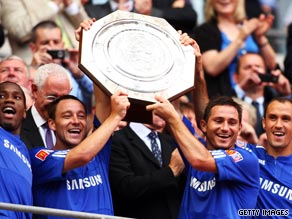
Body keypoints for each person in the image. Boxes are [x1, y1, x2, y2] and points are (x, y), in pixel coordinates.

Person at [146, 40, 260, 218]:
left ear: (239, 128)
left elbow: (201, 159)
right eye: (219, 121)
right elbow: (198, 113)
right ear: (204, 126)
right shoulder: (195, 146)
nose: (225, 128)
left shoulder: (244, 158)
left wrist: (172, 119)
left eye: (232, 123)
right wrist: (196, 69)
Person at [29, 86, 130, 217]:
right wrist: (116, 115)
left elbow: (101, 100)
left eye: (81, 116)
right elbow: (82, 156)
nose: (76, 121)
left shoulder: (99, 151)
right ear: (52, 124)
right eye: (67, 116)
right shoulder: (39, 157)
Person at [192, 0, 276, 98]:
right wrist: (240, 38)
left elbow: (272, 65)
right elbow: (212, 67)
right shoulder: (205, 30)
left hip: (258, 96)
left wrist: (260, 37)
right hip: (226, 98)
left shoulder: (250, 26)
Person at [109, 113, 185, 219]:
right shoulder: (117, 140)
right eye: (156, 104)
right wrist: (170, 171)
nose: (162, 110)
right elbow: (126, 186)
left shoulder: (169, 141)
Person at [29, 20, 93, 114]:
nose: (51, 47)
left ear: (62, 45)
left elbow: (95, 96)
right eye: (45, 43)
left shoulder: (73, 71)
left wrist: (80, 75)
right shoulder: (25, 71)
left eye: (56, 42)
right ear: (33, 48)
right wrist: (33, 69)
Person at [0, 0, 89, 64]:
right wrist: (54, 4)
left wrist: (70, 6)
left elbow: (88, 29)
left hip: (76, 60)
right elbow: (19, 30)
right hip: (38, 65)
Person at [232, 52, 291, 136]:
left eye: (258, 66)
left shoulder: (275, 99)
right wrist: (240, 89)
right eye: (248, 67)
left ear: (266, 73)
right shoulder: (229, 99)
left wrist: (286, 94)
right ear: (236, 77)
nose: (254, 70)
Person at [20, 63, 72, 149]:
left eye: (64, 98)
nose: (58, 105)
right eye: (52, 97)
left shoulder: (72, 128)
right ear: (35, 91)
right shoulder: (18, 127)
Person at [0, 81, 32, 219]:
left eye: (17, 97)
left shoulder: (26, 150)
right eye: (1, 96)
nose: (9, 100)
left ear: (25, 112)